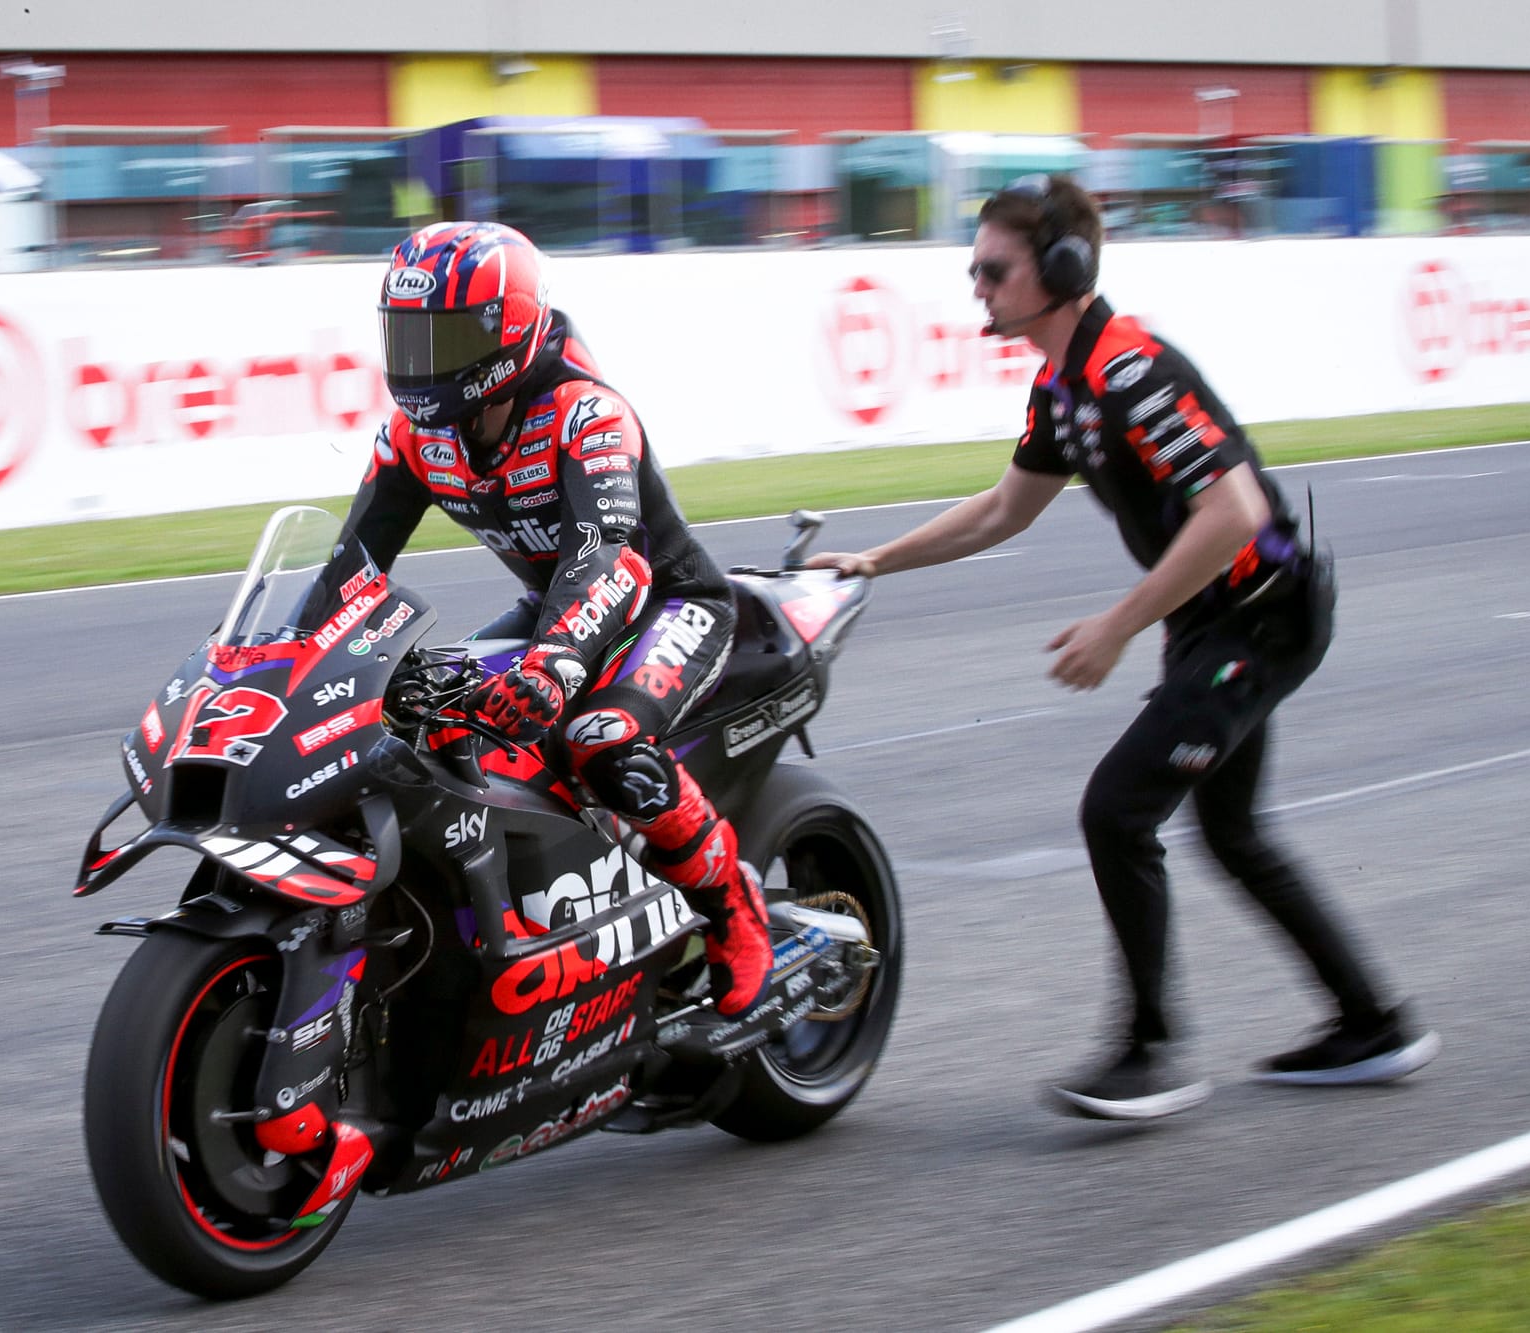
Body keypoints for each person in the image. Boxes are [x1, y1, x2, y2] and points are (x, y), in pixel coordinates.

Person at [807, 175, 1439, 1119]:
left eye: (993, 268)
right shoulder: (1063, 385)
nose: (976, 285)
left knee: (1118, 809)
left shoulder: (1130, 369)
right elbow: (1002, 510)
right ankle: (1374, 1023)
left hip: (1260, 619)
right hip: (1216, 620)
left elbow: (1237, 512)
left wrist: (1119, 624)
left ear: (1060, 270)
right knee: (1231, 832)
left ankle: (1152, 1052)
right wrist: (875, 560)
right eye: (972, 267)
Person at [335, 220, 772, 1017]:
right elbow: (353, 569)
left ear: (507, 331)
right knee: (427, 718)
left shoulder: (584, 413)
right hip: (557, 608)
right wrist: (290, 656)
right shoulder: (414, 434)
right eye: (407, 336)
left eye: (445, 336)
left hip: (669, 602)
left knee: (602, 741)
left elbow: (610, 556)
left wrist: (553, 663)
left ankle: (731, 906)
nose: (419, 361)